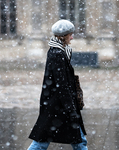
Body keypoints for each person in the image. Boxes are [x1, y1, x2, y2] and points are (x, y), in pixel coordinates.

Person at [27, 19, 88, 150]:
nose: (72, 37)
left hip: (57, 105)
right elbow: (62, 84)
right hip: (57, 106)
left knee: (77, 140)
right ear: (64, 36)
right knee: (41, 143)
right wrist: (71, 108)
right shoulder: (57, 53)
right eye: (70, 34)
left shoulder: (59, 51)